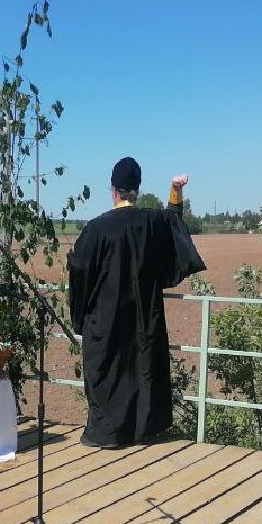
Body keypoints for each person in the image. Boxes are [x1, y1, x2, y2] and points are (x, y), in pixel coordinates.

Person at [67, 157, 206, 448]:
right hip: (144, 318)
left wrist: (80, 320)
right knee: (141, 369)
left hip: (105, 321)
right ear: (137, 190)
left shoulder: (96, 229)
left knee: (109, 372)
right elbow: (174, 225)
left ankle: (107, 435)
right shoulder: (152, 223)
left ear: (114, 190)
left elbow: (79, 275)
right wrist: (175, 191)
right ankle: (142, 430)